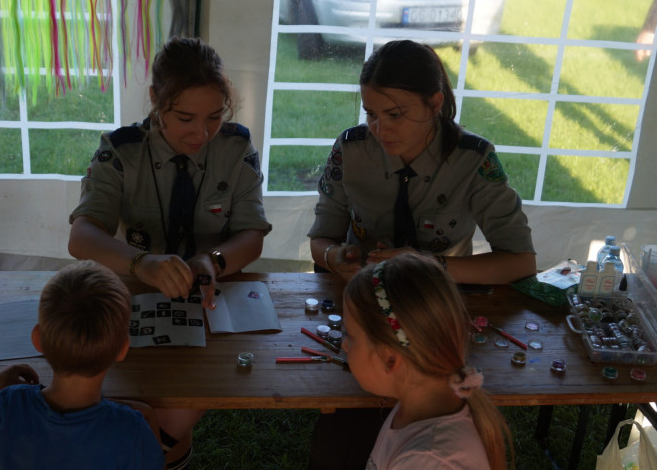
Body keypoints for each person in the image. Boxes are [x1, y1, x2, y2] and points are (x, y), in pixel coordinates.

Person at [67, 36, 272, 468]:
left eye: (215, 117)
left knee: (185, 398)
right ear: (155, 100)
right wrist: (142, 263)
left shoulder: (236, 148)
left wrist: (211, 261)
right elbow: (82, 236)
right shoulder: (121, 151)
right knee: (136, 392)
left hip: (211, 298)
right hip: (134, 295)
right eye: (184, 118)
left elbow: (251, 235)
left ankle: (150, 452)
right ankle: (150, 450)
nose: (201, 134)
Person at [308, 39, 535, 284]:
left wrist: (428, 265)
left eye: (395, 115)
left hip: (440, 301)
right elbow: (321, 240)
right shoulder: (351, 149)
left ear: (434, 104)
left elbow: (521, 262)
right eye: (371, 113)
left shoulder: (473, 161)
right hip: (363, 294)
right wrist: (336, 258)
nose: (380, 129)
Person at [0, 261, 165, 469]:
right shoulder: (132, 429)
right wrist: (142, 416)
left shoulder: (10, 406)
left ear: (37, 339)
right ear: (122, 349)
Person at [342, 253, 510, 470]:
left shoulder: (428, 461)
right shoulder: (415, 406)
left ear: (390, 359)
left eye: (350, 335)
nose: (344, 345)